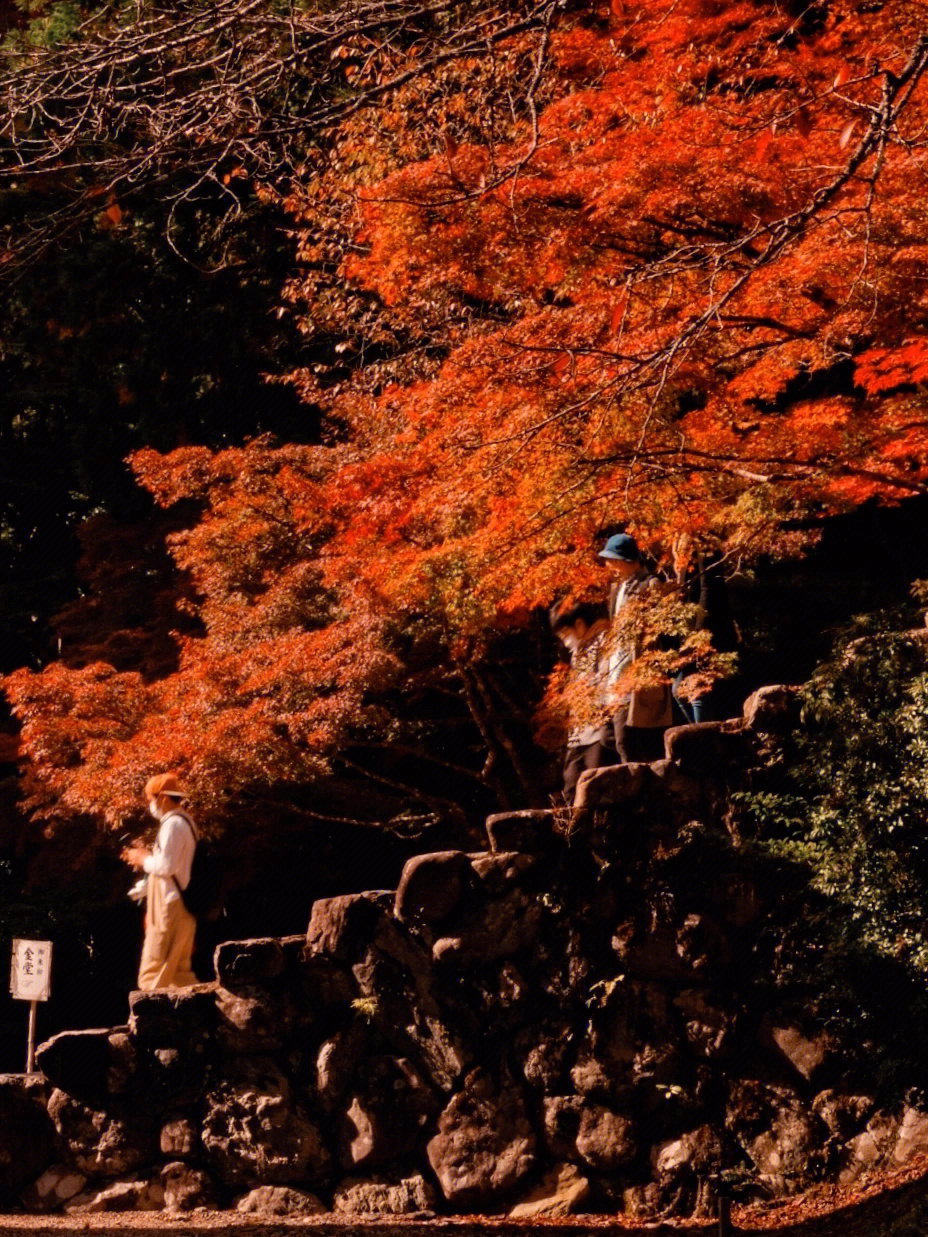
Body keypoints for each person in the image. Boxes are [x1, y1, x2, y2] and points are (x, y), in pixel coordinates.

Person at [599, 532, 673, 763]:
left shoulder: (650, 585)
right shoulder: (617, 589)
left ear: (625, 559)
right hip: (616, 674)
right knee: (611, 738)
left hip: (638, 675)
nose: (608, 564)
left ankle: (645, 790)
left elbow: (661, 629)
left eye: (612, 559)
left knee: (629, 741)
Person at [124, 773, 198, 991]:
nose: (151, 804)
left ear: (163, 798)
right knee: (178, 972)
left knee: (153, 968)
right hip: (181, 902)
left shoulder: (173, 825)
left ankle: (148, 1017)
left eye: (151, 798)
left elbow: (167, 866)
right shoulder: (186, 822)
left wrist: (144, 858)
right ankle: (206, 1015)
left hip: (169, 904)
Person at [550, 600, 619, 802]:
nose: (565, 642)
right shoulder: (577, 654)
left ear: (579, 625)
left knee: (595, 791)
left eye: (565, 634)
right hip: (579, 735)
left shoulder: (604, 641)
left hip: (598, 731)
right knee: (571, 788)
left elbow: (608, 683)